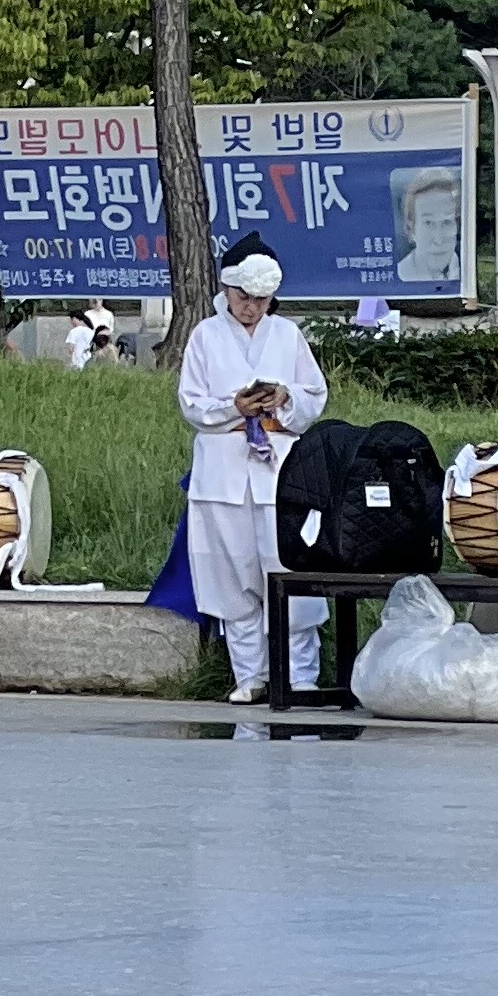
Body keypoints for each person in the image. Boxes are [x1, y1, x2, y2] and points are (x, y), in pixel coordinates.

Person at [177, 251, 327, 705]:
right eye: (245, 298)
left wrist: (284, 396)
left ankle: (301, 675)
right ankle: (251, 675)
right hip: (223, 471)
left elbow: (315, 396)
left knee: (288, 569)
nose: (253, 308)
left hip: (278, 471)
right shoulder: (205, 335)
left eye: (262, 300)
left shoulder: (287, 334)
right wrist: (233, 408)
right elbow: (191, 403)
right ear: (227, 290)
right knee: (233, 575)